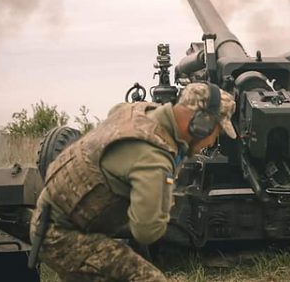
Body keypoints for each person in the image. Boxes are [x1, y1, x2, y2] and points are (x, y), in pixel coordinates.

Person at [30, 82, 236, 282]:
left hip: (55, 214)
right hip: (59, 236)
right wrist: (163, 195)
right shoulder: (154, 159)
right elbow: (146, 231)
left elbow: (115, 110)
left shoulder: (138, 111)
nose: (212, 142)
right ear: (202, 123)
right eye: (216, 133)